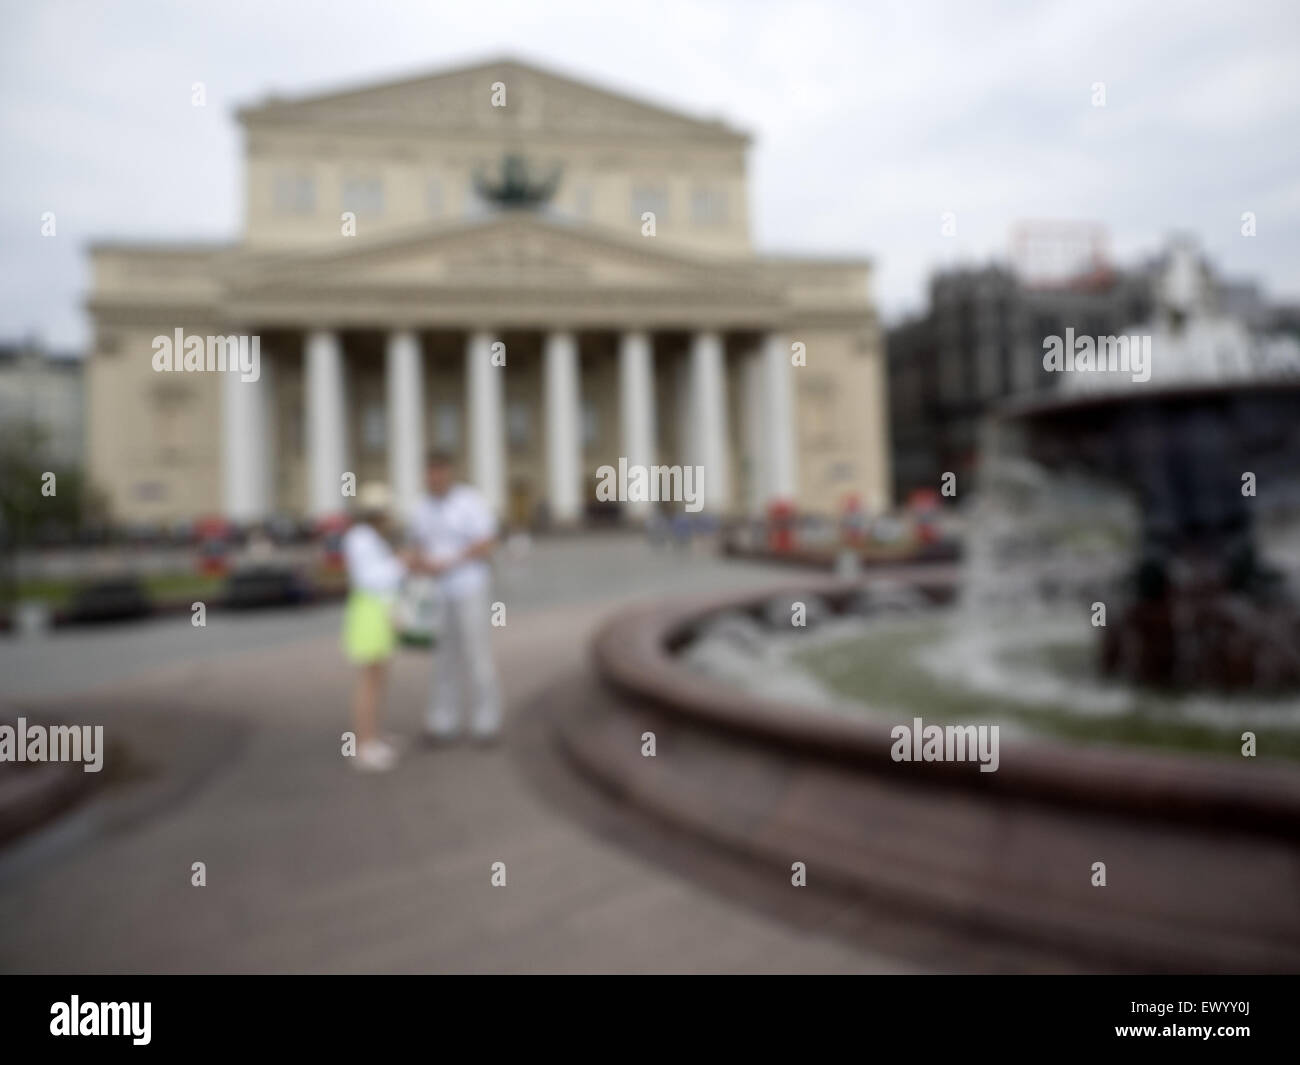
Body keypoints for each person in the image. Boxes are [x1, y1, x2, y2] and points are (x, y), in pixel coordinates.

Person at [408, 451, 502, 742]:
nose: (433, 477)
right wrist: (421, 563)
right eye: (429, 472)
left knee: (477, 655)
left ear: (448, 472)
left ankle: (486, 722)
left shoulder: (469, 502)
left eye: (438, 471)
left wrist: (451, 561)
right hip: (437, 591)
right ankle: (442, 721)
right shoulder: (420, 508)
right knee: (442, 658)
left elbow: (486, 543)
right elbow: (417, 547)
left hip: (468, 587)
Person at [341, 482, 407, 772]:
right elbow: (371, 579)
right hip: (369, 611)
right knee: (369, 681)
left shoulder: (368, 537)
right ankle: (363, 745)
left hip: (377, 610)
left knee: (378, 679)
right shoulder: (360, 538)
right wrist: (400, 564)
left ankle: (373, 736)